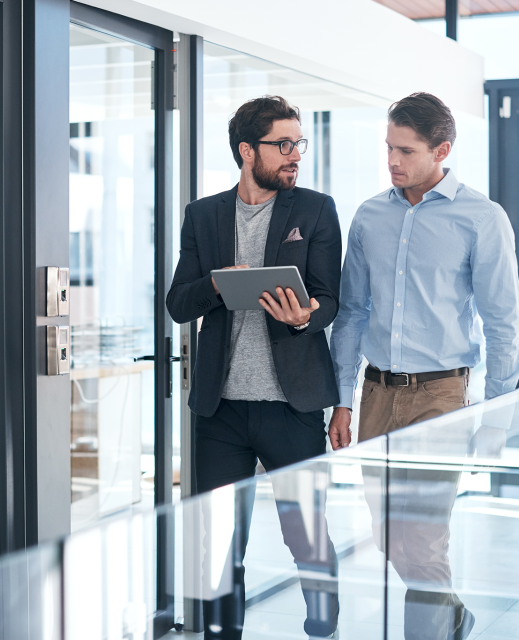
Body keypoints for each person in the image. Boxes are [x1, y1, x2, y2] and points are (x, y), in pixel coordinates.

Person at [328, 92, 519, 639]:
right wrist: (342, 399)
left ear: (442, 150)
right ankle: (452, 614)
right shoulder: (369, 215)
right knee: (388, 535)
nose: (393, 161)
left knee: (425, 534)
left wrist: (496, 417)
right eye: (389, 147)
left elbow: (503, 323)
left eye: (406, 151)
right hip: (376, 394)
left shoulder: (482, 218)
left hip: (441, 397)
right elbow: (350, 313)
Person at [167, 95, 341, 640]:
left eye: (298, 143)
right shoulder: (203, 215)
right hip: (221, 411)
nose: (294, 155)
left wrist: (304, 317)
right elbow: (178, 303)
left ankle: (322, 629)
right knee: (218, 543)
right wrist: (219, 283)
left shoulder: (315, 209)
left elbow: (330, 299)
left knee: (307, 537)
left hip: (293, 405)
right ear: (248, 151)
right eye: (282, 144)